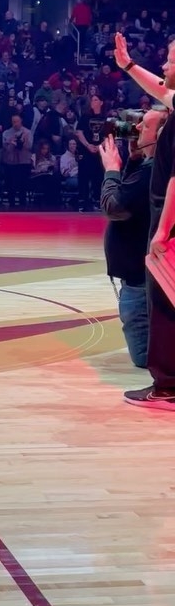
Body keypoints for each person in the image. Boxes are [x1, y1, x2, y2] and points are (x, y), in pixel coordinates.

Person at [113, 32, 175, 407]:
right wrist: (129, 65)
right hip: (167, 216)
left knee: (164, 303)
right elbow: (161, 90)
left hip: (169, 220)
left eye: (170, 59)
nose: (164, 65)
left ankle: (167, 386)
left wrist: (163, 231)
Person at [100, 112, 166, 369]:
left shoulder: (152, 174)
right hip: (141, 274)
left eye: (144, 125)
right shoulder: (152, 169)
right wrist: (134, 159)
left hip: (140, 279)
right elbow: (132, 194)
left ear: (159, 137)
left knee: (144, 356)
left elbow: (116, 206)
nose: (135, 127)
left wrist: (112, 171)